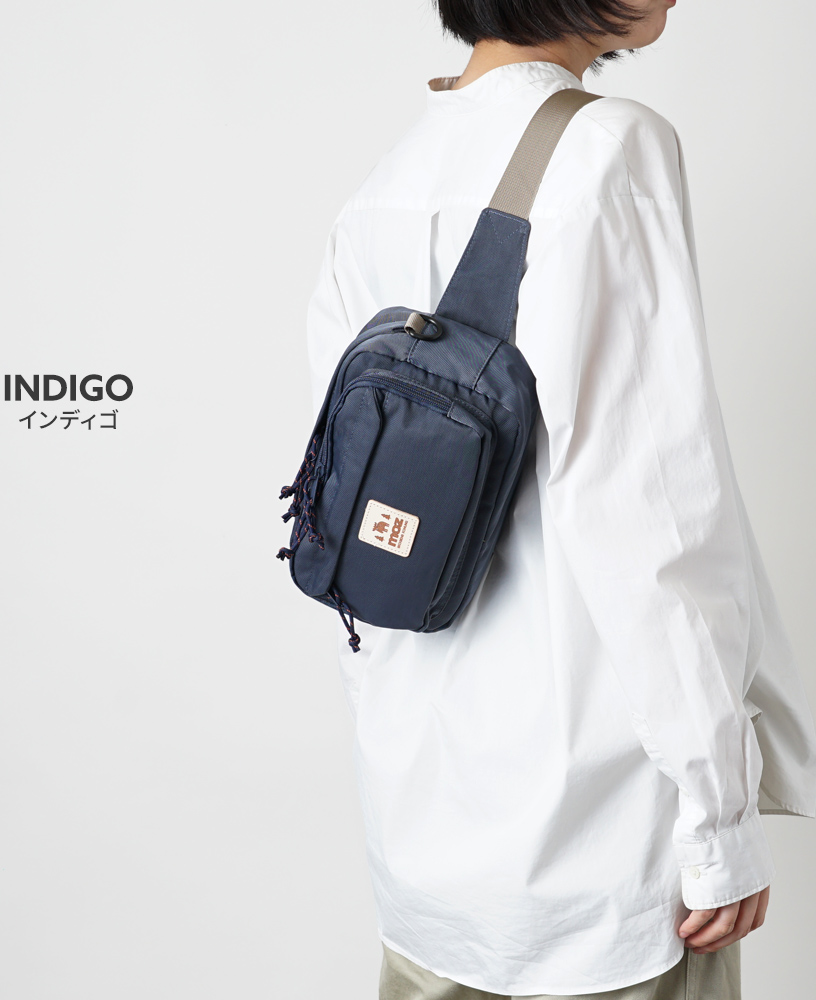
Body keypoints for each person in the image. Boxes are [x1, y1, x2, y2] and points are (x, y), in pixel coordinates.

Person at [303, 1, 816, 997]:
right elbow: (651, 515)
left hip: (424, 840)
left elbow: (350, 524)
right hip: (596, 842)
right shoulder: (611, 149)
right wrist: (717, 816)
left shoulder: (382, 186)